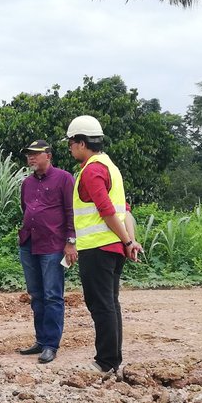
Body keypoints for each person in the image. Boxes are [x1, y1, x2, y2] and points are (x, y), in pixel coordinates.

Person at [65, 115, 143, 375]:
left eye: (71, 143)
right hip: (113, 249)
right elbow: (125, 211)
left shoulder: (92, 170)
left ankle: (106, 362)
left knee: (101, 305)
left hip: (98, 249)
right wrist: (129, 241)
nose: (70, 148)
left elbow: (108, 210)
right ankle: (112, 360)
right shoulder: (110, 166)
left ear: (81, 142)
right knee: (110, 303)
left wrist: (128, 240)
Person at [14, 139, 76, 364]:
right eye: (28, 154)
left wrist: (71, 242)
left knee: (52, 295)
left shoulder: (64, 178)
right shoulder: (27, 183)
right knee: (36, 295)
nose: (30, 157)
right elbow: (25, 209)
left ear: (48, 155)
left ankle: (51, 344)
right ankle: (40, 341)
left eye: (35, 153)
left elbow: (71, 212)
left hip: (53, 245)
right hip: (29, 243)